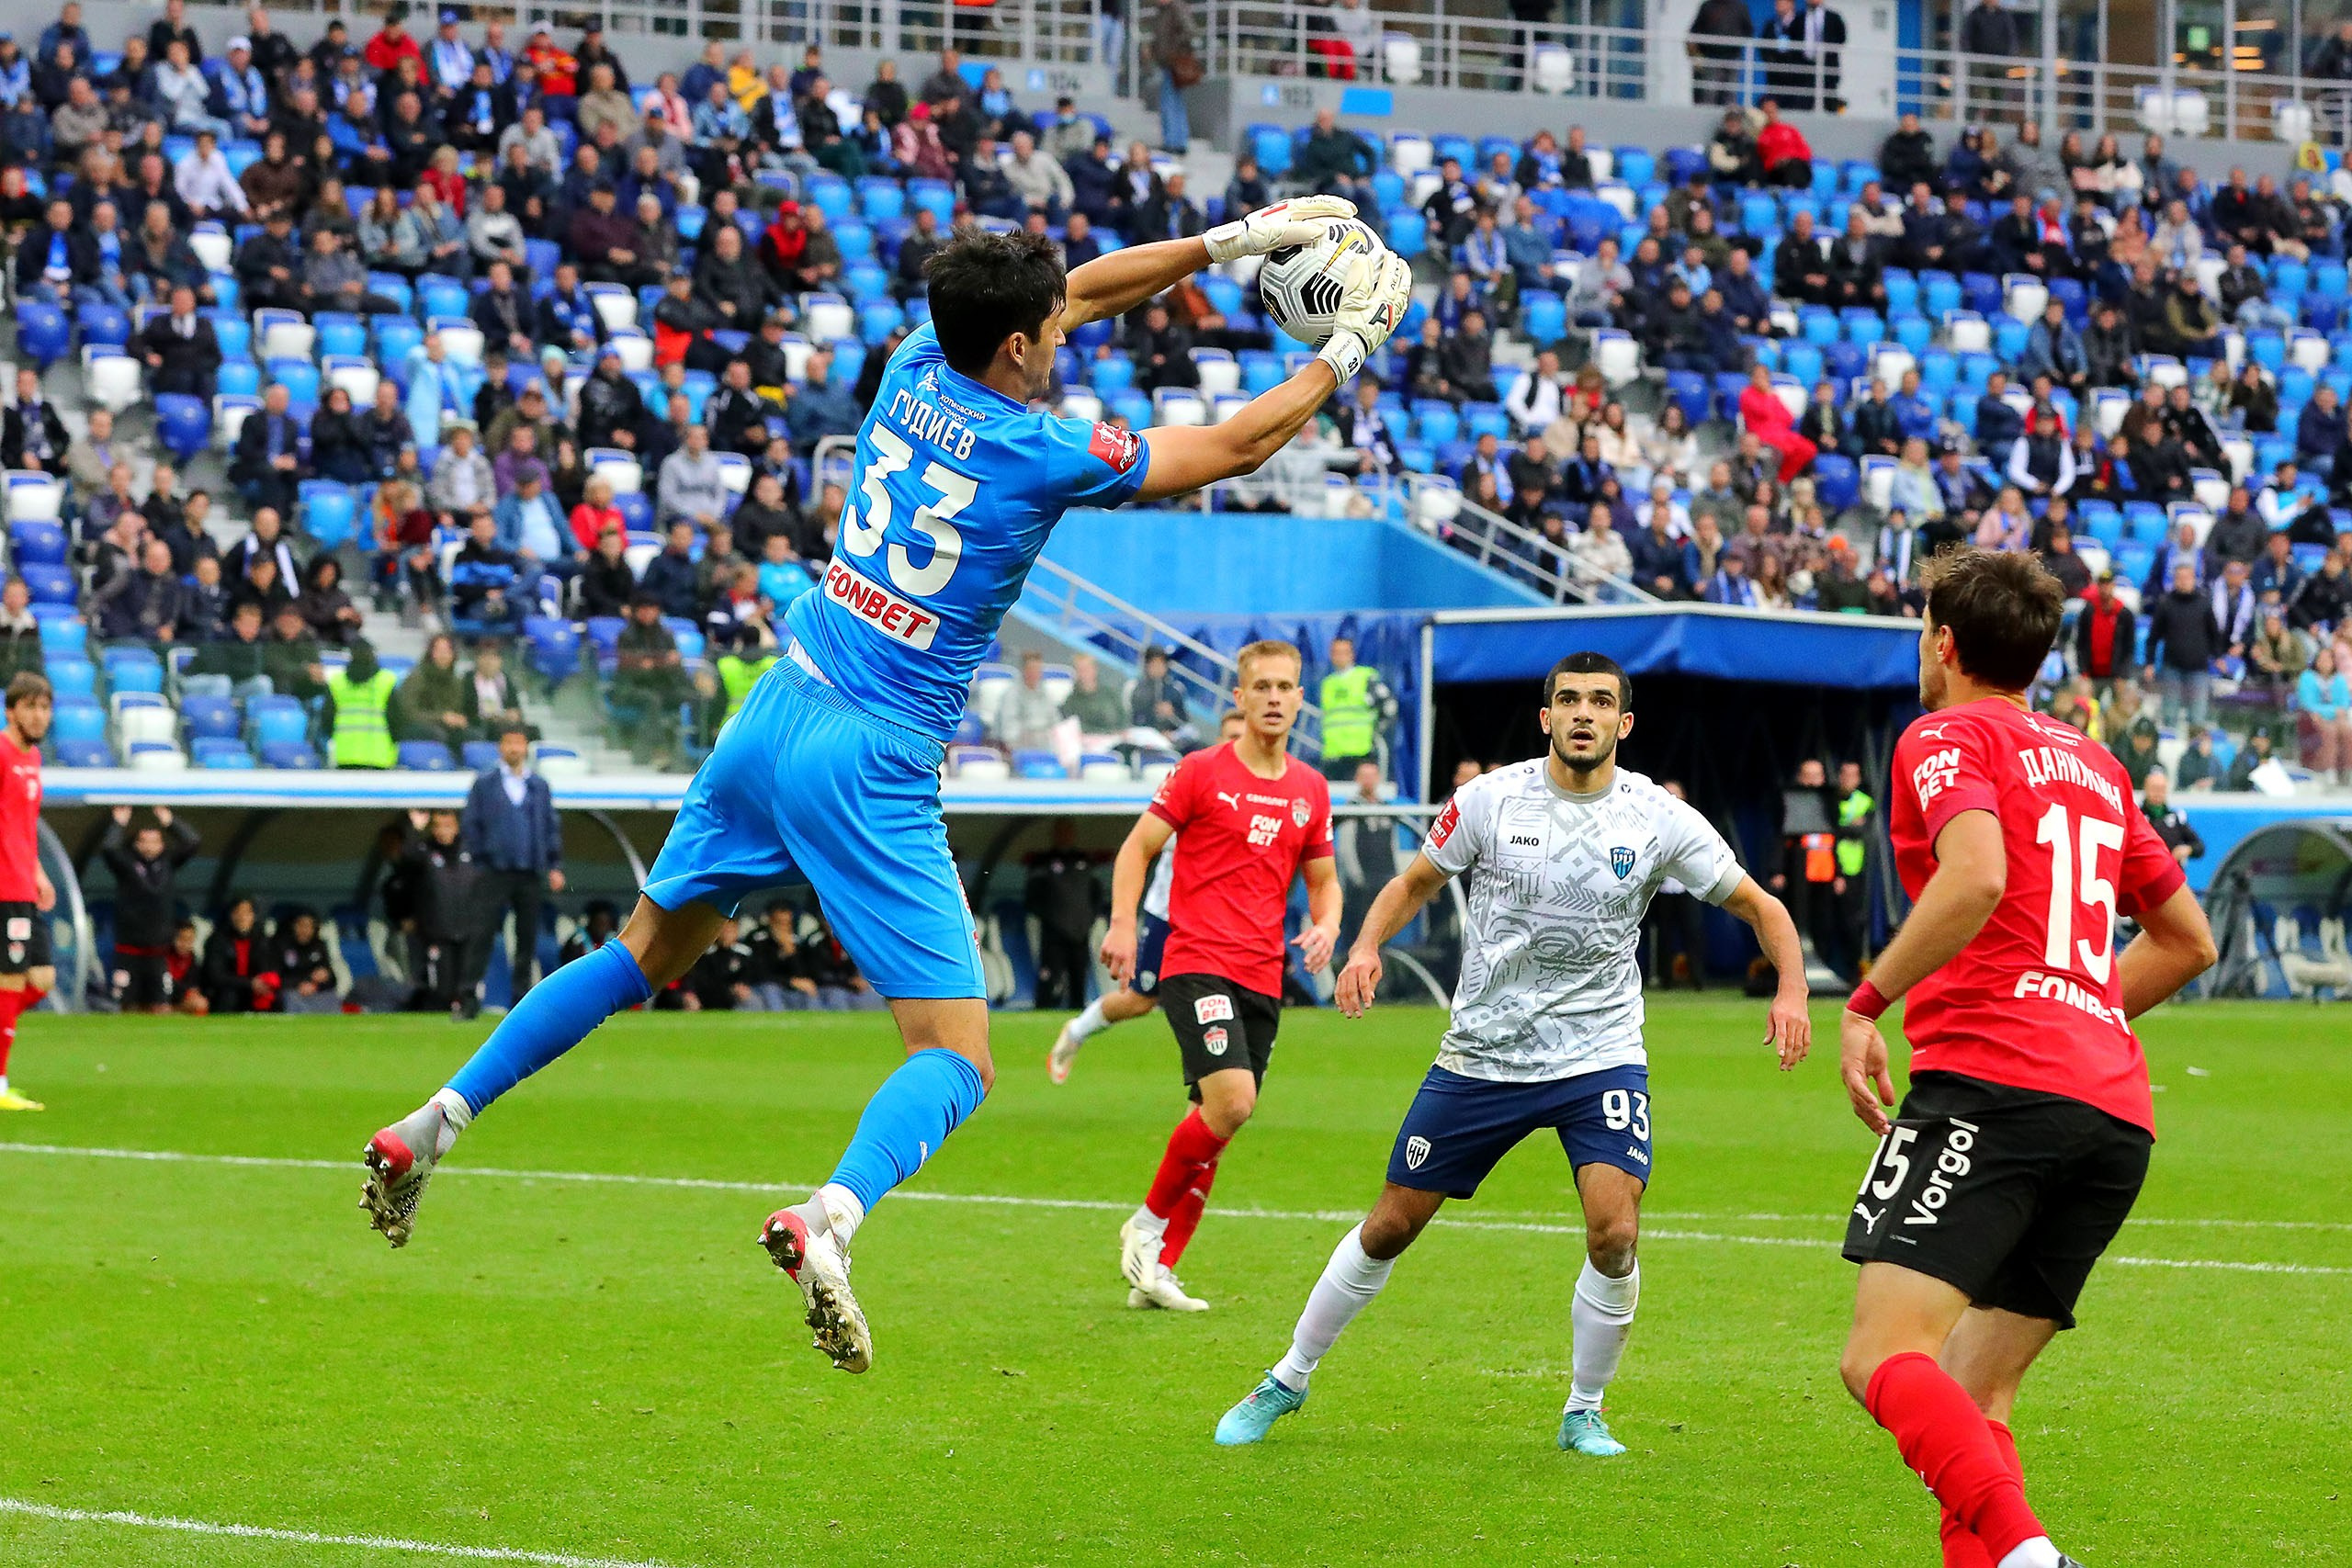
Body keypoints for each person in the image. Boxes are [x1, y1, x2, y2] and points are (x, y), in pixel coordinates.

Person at [360, 206, 1414, 1372]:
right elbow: (1232, 446)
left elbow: (1084, 293)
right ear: (1016, 345)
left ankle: (438, 1120)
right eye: (1046, 328)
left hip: (778, 698)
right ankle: (829, 1218)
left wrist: (1235, 241)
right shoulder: (1040, 450)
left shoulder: (915, 356)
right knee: (957, 1052)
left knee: (640, 955)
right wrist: (1350, 343)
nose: (1061, 335)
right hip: (872, 754)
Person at [1212, 653, 1809, 1450]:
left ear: (1624, 724)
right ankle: (1285, 1377)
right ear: (1547, 717)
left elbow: (1759, 903)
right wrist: (1364, 946)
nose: (1584, 714)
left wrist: (1794, 988)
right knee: (1390, 1224)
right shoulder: (1490, 800)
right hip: (1484, 1052)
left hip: (1598, 1051)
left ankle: (1583, 1409)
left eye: (1601, 702)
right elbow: (1415, 882)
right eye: (1569, 700)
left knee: (1615, 1230)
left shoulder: (1658, 817)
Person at [1835, 547, 2215, 1568]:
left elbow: (1974, 878)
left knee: (1881, 1355)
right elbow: (2187, 940)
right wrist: (2082, 1007)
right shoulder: (2093, 760)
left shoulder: (1942, 734)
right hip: (2111, 1113)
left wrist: (1867, 1003)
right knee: (1974, 1391)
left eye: (1922, 626)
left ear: (1945, 644)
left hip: (1988, 1089)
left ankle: (2028, 1554)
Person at [1103, 641, 1340, 1314]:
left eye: (1285, 686)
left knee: (1214, 1121)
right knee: (1233, 1101)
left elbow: (1324, 882)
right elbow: (1137, 847)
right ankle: (1146, 1226)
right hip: (1196, 960)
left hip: (1264, 974)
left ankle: (1159, 1271)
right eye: (1260, 685)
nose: (1272, 696)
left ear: (1299, 699)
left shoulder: (1310, 789)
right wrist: (1124, 923)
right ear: (1238, 698)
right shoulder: (1199, 771)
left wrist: (1325, 925)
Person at [1049, 711, 1247, 1085]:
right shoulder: (1196, 784)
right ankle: (1076, 1030)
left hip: (1226, 922)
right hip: (1171, 916)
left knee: (1229, 997)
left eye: (1242, 735)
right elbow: (1145, 845)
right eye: (1229, 736)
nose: (1235, 744)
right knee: (1140, 1000)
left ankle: (1219, 1088)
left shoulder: (1262, 794)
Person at [461, 723, 565, 1006]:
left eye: (519, 743)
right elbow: (471, 824)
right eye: (509, 743)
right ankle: (469, 997)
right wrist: (480, 860)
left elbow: (549, 827)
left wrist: (554, 865)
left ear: (526, 748)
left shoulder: (538, 786)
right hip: (495, 871)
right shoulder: (485, 784)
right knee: (481, 934)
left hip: (529, 871)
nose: (514, 749)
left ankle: (519, 999)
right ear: (500, 747)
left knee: (526, 938)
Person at [0, 676, 53, 1109]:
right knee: (11, 981)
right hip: (3, 887)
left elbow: (24, 826)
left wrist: (39, 874)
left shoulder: (33, 758)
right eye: (31, 706)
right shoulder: (0, 753)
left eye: (45, 707)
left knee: (41, 979)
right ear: (11, 710)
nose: (39, 715)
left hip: (23, 886)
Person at [98, 806, 201, 1014]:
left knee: (160, 1004)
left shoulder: (168, 863)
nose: (149, 846)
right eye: (144, 841)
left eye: (155, 841)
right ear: (136, 844)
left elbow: (192, 841)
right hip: (129, 949)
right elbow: (108, 848)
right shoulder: (126, 865)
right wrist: (119, 824)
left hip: (158, 950)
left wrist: (170, 822)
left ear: (162, 844)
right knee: (127, 1004)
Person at [1023, 820, 1102, 1012]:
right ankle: (1042, 1013)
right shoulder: (1044, 862)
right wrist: (1050, 916)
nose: (1065, 836)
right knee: (1050, 978)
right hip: (1054, 934)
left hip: (1080, 932)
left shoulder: (1083, 860)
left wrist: (1089, 917)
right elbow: (1032, 896)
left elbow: (1096, 893)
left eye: (1068, 831)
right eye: (1061, 832)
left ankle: (1078, 1014)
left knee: (1079, 979)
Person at [1317, 634, 1395, 781]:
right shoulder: (1328, 683)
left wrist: (1376, 732)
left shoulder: (1365, 678)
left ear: (1351, 654)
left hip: (1360, 752)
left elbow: (1389, 706)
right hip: (1333, 754)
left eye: (1343, 652)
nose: (1339, 656)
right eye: (1335, 652)